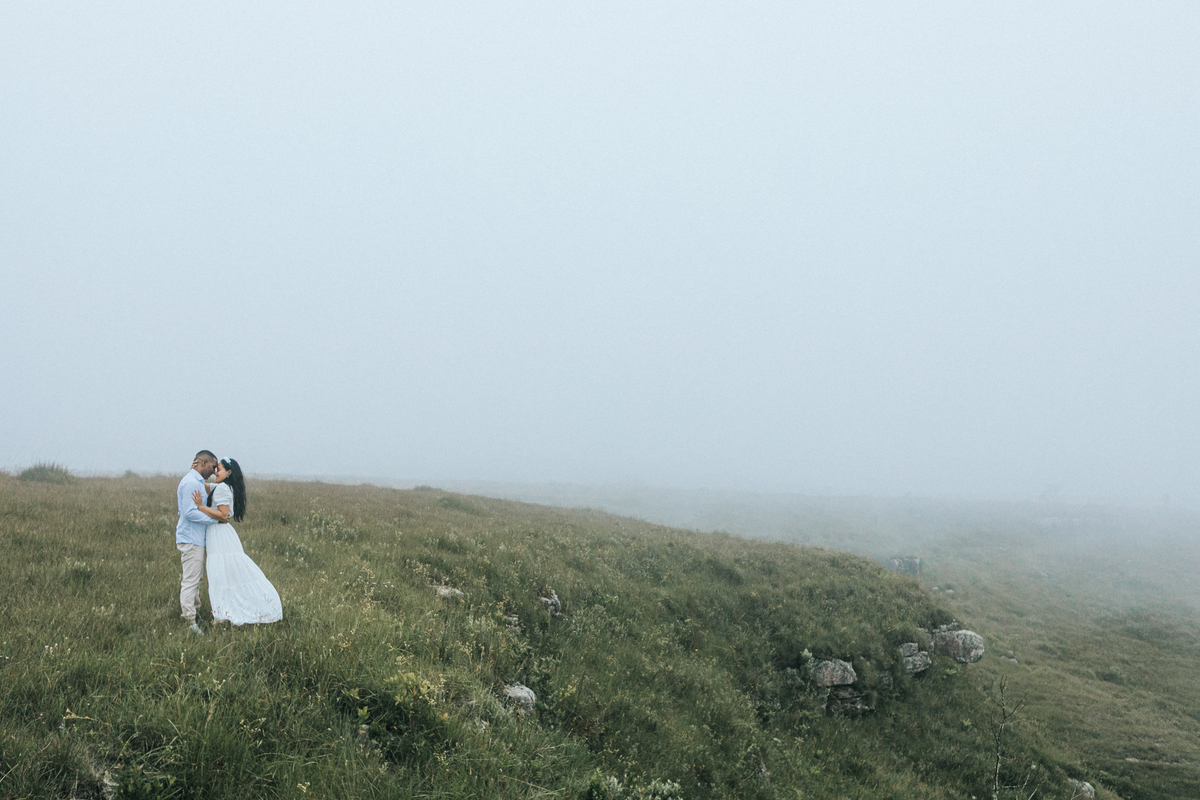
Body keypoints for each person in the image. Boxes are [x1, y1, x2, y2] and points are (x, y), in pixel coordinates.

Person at [191, 458, 282, 625]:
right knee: (224, 573)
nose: (215, 473)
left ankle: (224, 613)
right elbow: (202, 486)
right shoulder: (223, 487)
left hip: (219, 534)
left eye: (218, 469)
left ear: (229, 472)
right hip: (220, 533)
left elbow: (223, 515)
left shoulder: (222, 488)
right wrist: (195, 472)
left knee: (221, 573)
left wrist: (201, 507)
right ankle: (223, 611)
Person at [176, 450, 218, 634]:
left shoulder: (197, 482)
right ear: (203, 463)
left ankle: (195, 613)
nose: (214, 472)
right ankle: (189, 620)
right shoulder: (191, 483)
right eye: (213, 467)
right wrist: (216, 519)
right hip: (191, 538)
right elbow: (189, 512)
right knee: (191, 580)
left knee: (196, 578)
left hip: (195, 538)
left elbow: (213, 487)